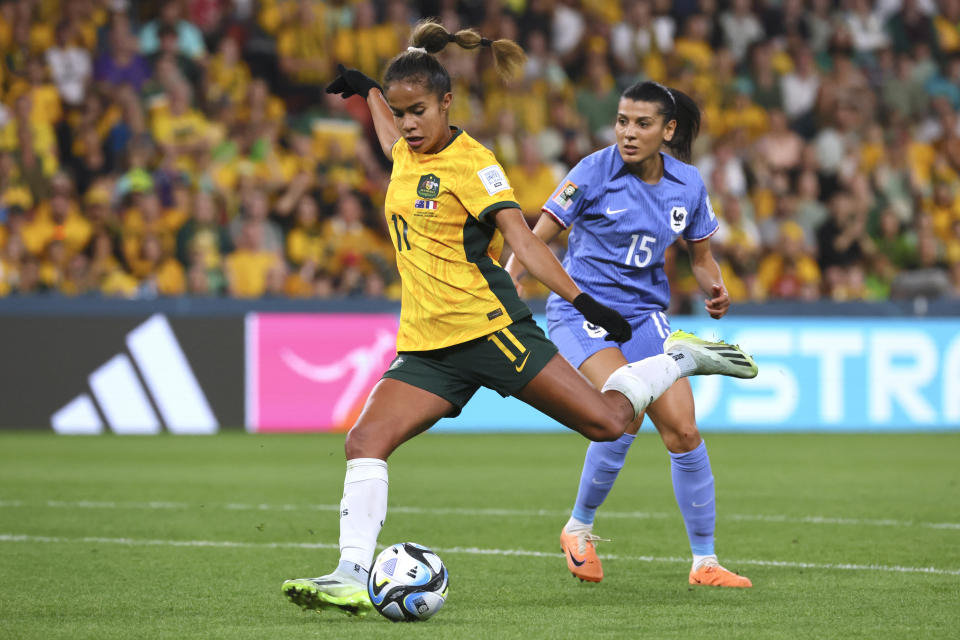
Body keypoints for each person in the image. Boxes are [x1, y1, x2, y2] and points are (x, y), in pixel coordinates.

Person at [281, 21, 758, 617]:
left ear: (446, 103)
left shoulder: (474, 163)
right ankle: (351, 574)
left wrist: (583, 303)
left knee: (611, 423)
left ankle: (679, 358)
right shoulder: (405, 149)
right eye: (401, 112)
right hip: (429, 345)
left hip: (492, 330)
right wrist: (368, 92)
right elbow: (386, 138)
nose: (407, 124)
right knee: (364, 440)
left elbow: (528, 244)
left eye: (418, 111)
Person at [505, 81, 753, 588]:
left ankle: (704, 562)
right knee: (623, 414)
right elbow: (534, 238)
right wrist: (512, 276)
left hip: (645, 316)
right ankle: (578, 529)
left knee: (684, 431)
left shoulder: (688, 184)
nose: (628, 133)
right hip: (583, 313)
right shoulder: (592, 171)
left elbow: (700, 256)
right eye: (622, 121)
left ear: (668, 130)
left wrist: (716, 287)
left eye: (642, 124)